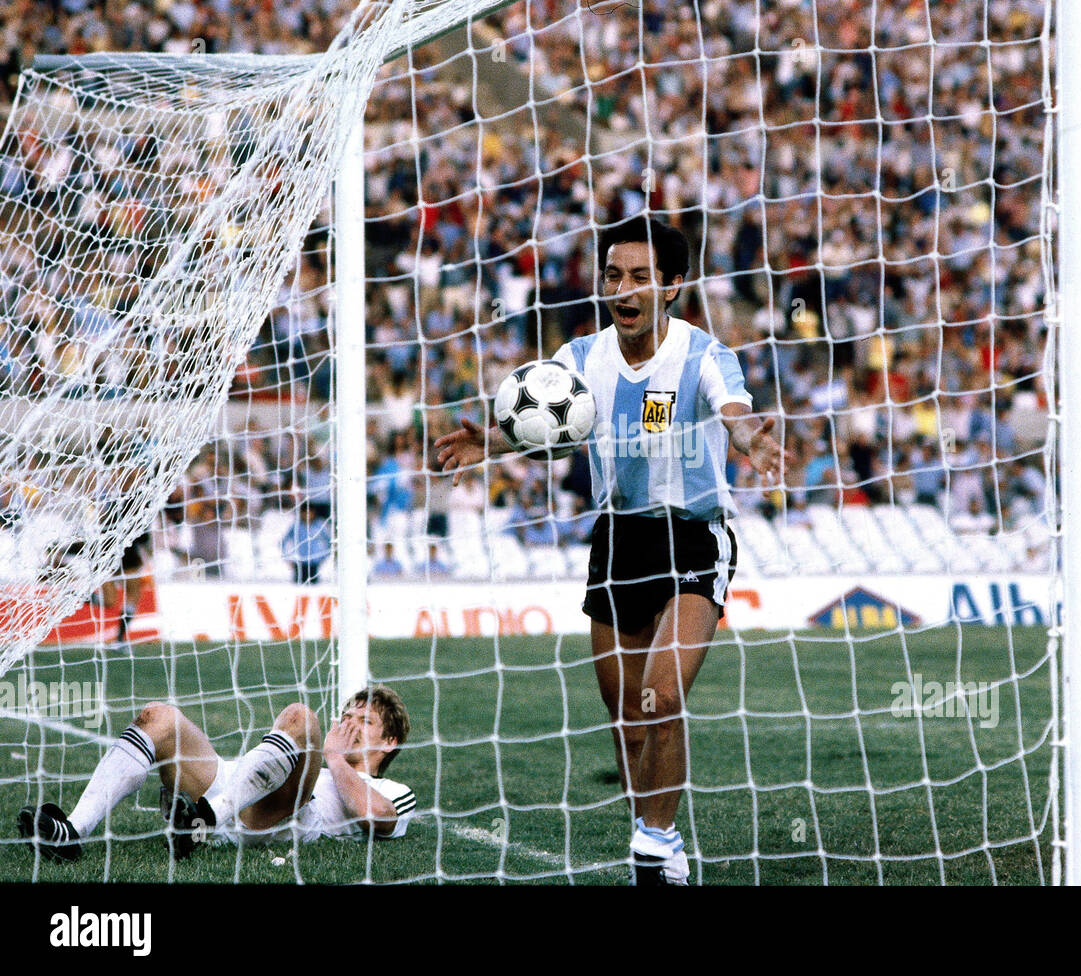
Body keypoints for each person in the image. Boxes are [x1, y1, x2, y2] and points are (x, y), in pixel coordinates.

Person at [436, 214, 790, 885]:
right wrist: (490, 440)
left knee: (661, 695)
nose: (623, 289)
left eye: (640, 277)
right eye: (613, 276)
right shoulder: (579, 360)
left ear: (673, 285)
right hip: (617, 538)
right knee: (627, 716)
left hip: (693, 534)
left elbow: (733, 412)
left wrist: (749, 439)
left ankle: (655, 848)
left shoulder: (703, 356)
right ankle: (653, 833)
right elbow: (540, 418)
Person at [18, 686, 414, 862]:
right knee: (158, 717)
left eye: (364, 721)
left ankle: (204, 819)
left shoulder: (391, 788)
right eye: (346, 716)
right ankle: (73, 831)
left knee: (301, 717)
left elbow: (376, 817)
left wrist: (335, 757)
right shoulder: (321, 760)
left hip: (282, 813)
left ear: (390, 741)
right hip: (233, 785)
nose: (348, 725)